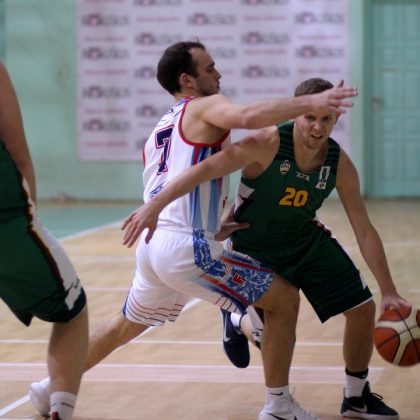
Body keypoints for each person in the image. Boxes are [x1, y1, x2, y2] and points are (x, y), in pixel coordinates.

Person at [29, 41, 357, 420]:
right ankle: (276, 399)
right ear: (188, 80)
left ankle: (50, 387)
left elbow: (182, 179)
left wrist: (215, 224)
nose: (219, 74)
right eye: (210, 68)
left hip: (157, 246)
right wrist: (310, 102)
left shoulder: (163, 126)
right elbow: (248, 116)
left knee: (126, 324)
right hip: (186, 247)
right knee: (283, 300)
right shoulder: (203, 106)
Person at [218, 77, 407, 419]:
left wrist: (389, 290)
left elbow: (364, 229)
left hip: (304, 240)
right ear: (296, 113)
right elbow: (212, 171)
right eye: (310, 117)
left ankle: (356, 397)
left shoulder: (338, 162)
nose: (318, 127)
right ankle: (236, 319)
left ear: (337, 118)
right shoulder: (268, 143)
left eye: (326, 119)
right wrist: (216, 219)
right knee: (270, 332)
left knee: (363, 309)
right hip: (254, 246)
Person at [0, 62, 89, 420]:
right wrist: (31, 215)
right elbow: (18, 152)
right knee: (72, 310)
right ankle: (60, 411)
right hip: (6, 220)